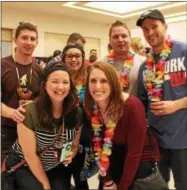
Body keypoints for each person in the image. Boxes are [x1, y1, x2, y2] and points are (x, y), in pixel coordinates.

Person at [6, 62, 82, 190]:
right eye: (55, 81)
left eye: (65, 82)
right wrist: (45, 184)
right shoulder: (30, 111)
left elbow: (74, 145)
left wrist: (71, 154)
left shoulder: (76, 113)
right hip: (25, 164)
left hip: (53, 166)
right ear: (44, 85)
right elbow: (30, 156)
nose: (60, 87)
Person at [84, 62, 160, 190]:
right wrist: (107, 180)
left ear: (113, 83)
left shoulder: (132, 106)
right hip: (111, 162)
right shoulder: (91, 108)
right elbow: (97, 147)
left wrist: (122, 187)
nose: (97, 86)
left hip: (138, 166)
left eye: (104, 81)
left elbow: (134, 153)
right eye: (93, 80)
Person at [137, 9, 187, 190]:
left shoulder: (183, 51)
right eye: (145, 29)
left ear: (165, 26)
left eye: (154, 26)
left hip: (183, 139)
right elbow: (143, 103)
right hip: (156, 141)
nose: (150, 32)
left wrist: (176, 105)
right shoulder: (144, 66)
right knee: (158, 185)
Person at [1, 22, 42, 162]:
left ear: (37, 42)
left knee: (27, 175)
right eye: (24, 37)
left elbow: (42, 99)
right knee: (6, 176)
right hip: (7, 132)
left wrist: (34, 104)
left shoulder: (39, 70)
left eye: (32, 39)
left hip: (31, 131)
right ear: (15, 40)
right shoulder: (3, 66)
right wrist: (12, 113)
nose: (29, 42)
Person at [61, 43, 89, 189]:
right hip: (63, 137)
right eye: (69, 56)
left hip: (84, 136)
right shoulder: (58, 79)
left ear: (83, 58)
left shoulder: (89, 79)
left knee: (81, 179)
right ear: (63, 58)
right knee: (63, 177)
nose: (73, 59)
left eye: (77, 56)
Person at [100, 20, 146, 96]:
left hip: (135, 107)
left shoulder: (143, 63)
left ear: (130, 39)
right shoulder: (101, 64)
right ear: (110, 41)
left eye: (124, 36)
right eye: (115, 37)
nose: (120, 40)